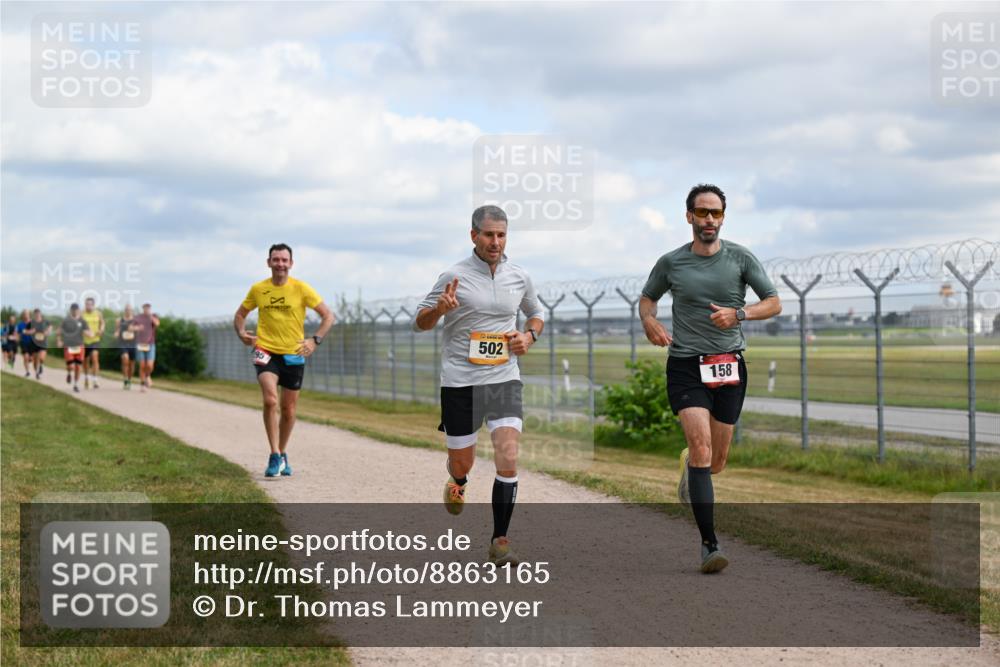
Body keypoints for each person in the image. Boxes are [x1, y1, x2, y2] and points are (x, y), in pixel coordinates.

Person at [640, 183, 781, 574]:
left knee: (715, 462)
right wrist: (649, 321)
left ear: (723, 217)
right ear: (689, 217)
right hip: (686, 364)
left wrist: (737, 314)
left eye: (715, 213)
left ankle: (691, 468)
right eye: (702, 212)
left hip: (729, 366)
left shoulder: (740, 258)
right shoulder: (672, 262)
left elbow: (773, 301)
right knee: (702, 449)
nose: (709, 220)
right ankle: (709, 545)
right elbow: (647, 298)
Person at [413, 205, 544, 567]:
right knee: (463, 461)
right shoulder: (453, 275)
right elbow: (419, 323)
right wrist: (439, 309)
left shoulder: (519, 275)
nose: (495, 242)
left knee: (508, 454)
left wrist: (528, 336)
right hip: (460, 382)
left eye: (501, 235)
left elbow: (536, 314)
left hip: (503, 377)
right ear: (473, 235)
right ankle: (457, 480)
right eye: (488, 235)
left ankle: (500, 540)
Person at [234, 243, 335, 477]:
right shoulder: (258, 289)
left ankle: (282, 452)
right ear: (268, 262)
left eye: (284, 260)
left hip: (293, 353)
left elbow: (328, 316)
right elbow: (240, 315)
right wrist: (241, 334)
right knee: (270, 400)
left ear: (291, 263)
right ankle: (274, 454)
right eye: (275, 259)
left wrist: (314, 340)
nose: (280, 264)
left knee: (288, 409)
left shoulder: (301, 289)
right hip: (264, 350)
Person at [57, 303, 88, 393]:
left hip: (80, 346)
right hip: (69, 346)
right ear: (71, 310)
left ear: (79, 310)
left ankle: (76, 384)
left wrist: (89, 333)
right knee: (71, 366)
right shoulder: (66, 321)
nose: (75, 311)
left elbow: (88, 331)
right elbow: (59, 332)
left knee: (78, 366)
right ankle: (69, 373)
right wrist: (59, 340)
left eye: (76, 309)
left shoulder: (82, 321)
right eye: (73, 309)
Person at [132, 303, 160, 391]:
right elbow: (131, 328)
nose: (146, 309)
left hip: (150, 344)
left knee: (149, 365)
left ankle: (148, 376)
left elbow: (157, 324)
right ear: (143, 308)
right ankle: (142, 384)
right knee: (142, 364)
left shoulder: (153, 316)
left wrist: (150, 317)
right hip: (140, 343)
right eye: (145, 308)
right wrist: (137, 328)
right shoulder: (138, 317)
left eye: (148, 308)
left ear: (150, 309)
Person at [81, 297, 105, 389]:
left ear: (93, 305)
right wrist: (85, 332)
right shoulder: (82, 314)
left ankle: (95, 379)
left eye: (90, 304)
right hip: (84, 340)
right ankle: (86, 377)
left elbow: (102, 323)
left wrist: (101, 329)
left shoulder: (98, 313)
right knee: (85, 361)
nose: (88, 306)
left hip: (95, 339)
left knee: (95, 357)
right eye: (87, 304)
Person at [115, 305, 138, 389]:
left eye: (130, 310)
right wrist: (116, 333)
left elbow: (139, 328)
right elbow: (117, 330)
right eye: (127, 310)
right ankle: (125, 379)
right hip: (123, 343)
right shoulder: (119, 320)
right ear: (124, 311)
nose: (128, 311)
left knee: (132, 364)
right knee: (125, 359)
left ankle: (129, 380)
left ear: (132, 311)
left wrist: (134, 328)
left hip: (133, 344)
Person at [29, 309, 51, 380]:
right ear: (34, 315)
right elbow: (26, 331)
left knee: (41, 358)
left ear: (40, 314)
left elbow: (50, 326)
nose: (37, 315)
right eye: (36, 314)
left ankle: (41, 365)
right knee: (35, 361)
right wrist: (31, 331)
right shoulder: (31, 322)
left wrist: (48, 331)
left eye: (38, 314)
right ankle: (37, 373)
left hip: (43, 343)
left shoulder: (45, 321)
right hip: (34, 343)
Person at [16, 309, 33, 377]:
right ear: (23, 315)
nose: (26, 315)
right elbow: (17, 333)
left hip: (32, 343)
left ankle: (30, 359)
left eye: (27, 314)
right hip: (23, 342)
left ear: (29, 315)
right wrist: (17, 337)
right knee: (26, 357)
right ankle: (27, 372)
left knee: (30, 358)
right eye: (24, 314)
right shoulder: (20, 324)